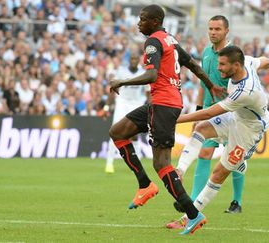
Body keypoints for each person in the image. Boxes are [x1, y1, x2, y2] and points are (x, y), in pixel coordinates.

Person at [108, 5, 224, 234]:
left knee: (162, 164)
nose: (139, 23)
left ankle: (194, 215)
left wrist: (122, 81)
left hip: (163, 104)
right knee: (118, 132)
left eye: (143, 19)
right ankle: (144, 184)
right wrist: (211, 85)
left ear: (155, 21)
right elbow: (192, 65)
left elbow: (152, 74)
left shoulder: (153, 42)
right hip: (162, 103)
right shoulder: (170, 40)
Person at [167, 45, 269, 229]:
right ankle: (180, 171)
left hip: (249, 130)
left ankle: (190, 218)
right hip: (237, 116)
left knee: (218, 173)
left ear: (236, 65)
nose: (218, 68)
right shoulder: (247, 62)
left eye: (222, 64)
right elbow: (264, 60)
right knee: (201, 129)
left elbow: (209, 113)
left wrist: (175, 119)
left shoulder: (245, 91)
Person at [169, 16, 245, 224]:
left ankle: (236, 201)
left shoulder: (233, 55)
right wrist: (200, 109)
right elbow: (204, 84)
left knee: (234, 159)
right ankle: (192, 201)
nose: (213, 32)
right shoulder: (206, 52)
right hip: (211, 112)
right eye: (210, 28)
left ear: (226, 31)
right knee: (204, 152)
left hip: (233, 113)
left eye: (217, 29)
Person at [105, 54, 147, 173]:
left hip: (136, 103)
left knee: (135, 133)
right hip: (122, 103)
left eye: (135, 58)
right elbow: (113, 90)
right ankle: (109, 163)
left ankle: (138, 163)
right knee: (115, 130)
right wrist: (106, 106)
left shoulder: (143, 72)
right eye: (132, 59)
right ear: (129, 60)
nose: (134, 61)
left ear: (138, 60)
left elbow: (148, 91)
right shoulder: (121, 71)